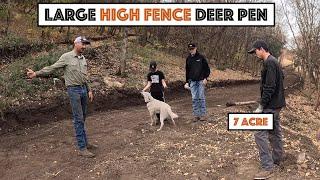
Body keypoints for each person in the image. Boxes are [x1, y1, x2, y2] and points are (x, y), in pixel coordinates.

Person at [26, 36, 97, 158]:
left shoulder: (83, 58)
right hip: (73, 90)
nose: (84, 46)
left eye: (86, 44)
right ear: (76, 43)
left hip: (84, 90)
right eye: (83, 44)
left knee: (83, 117)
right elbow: (52, 68)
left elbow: (85, 77)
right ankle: (82, 148)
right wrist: (36, 73)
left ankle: (85, 142)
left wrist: (89, 89)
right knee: (78, 118)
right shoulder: (66, 57)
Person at [248, 40, 286, 179]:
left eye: (255, 51)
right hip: (277, 104)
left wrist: (261, 106)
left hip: (271, 105)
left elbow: (269, 86)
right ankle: (277, 158)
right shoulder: (275, 61)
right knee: (275, 131)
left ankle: (267, 167)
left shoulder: (269, 62)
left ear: (262, 49)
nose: (255, 54)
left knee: (259, 133)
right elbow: (282, 76)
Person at [184, 43, 210, 123]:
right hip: (192, 81)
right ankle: (196, 115)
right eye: (190, 49)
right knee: (194, 99)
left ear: (196, 48)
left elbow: (207, 69)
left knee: (201, 97)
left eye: (193, 49)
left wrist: (206, 78)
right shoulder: (188, 59)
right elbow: (187, 71)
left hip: (200, 81)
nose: (191, 50)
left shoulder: (201, 57)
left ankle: (203, 115)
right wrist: (187, 82)